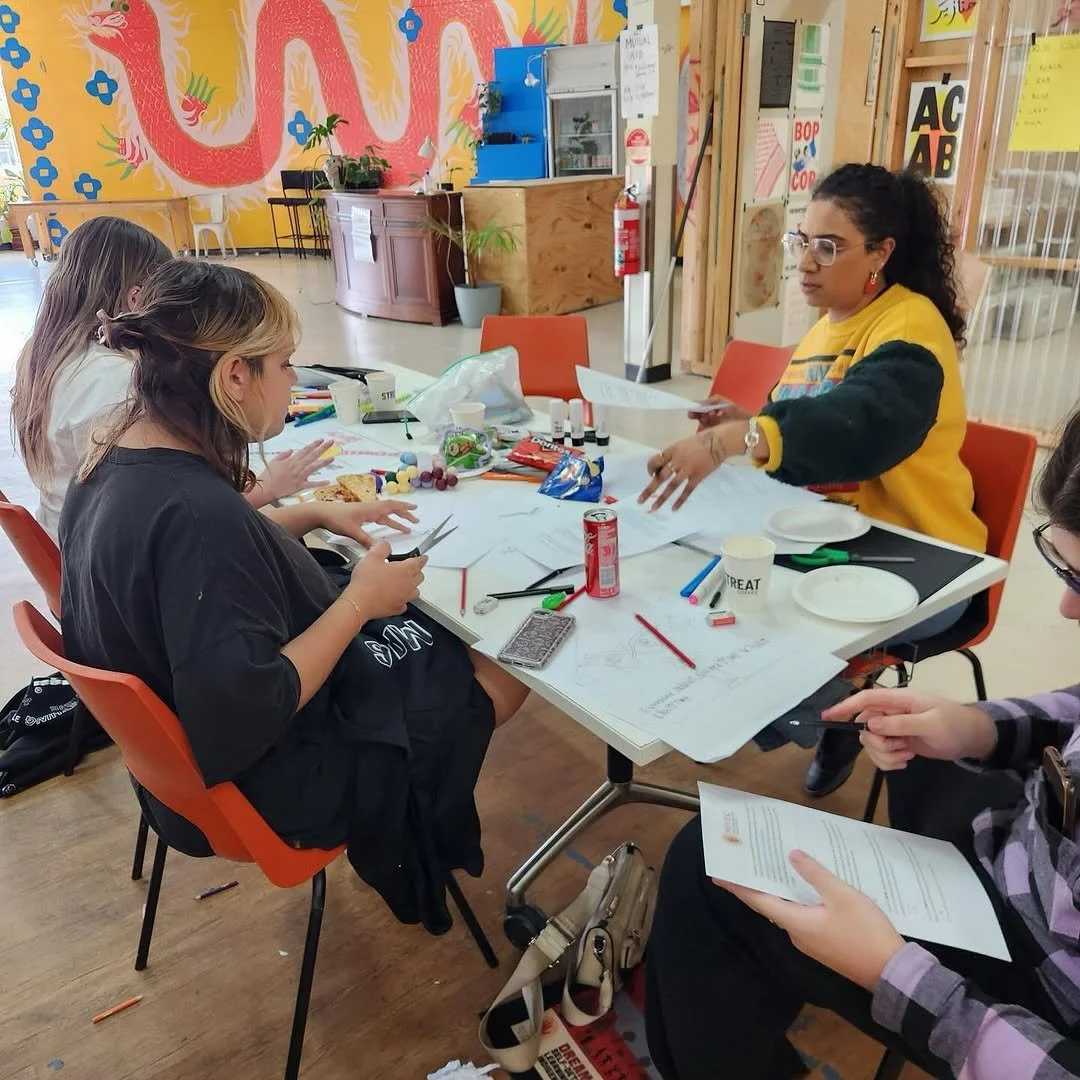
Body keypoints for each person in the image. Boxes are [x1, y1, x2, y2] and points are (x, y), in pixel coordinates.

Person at [58, 259, 529, 932]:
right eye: (284, 365)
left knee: (433, 629)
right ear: (234, 375)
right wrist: (359, 605)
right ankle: (427, 832)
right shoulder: (197, 517)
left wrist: (311, 516)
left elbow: (193, 571)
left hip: (177, 775)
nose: (294, 382)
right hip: (277, 782)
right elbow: (252, 708)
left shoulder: (112, 454)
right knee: (504, 661)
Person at [644, 406, 1080, 1080]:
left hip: (1040, 993)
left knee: (707, 870)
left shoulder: (908, 346)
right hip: (1033, 855)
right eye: (1066, 568)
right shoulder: (839, 332)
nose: (1066, 610)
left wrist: (892, 971)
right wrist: (981, 728)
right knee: (911, 751)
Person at [638, 164, 986, 797]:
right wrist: (749, 420)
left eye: (830, 247)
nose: (806, 263)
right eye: (804, 241)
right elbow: (802, 417)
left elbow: (856, 427)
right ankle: (794, 709)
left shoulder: (911, 330)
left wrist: (727, 441)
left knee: (762, 619)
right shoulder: (826, 327)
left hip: (922, 558)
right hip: (834, 539)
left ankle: (831, 717)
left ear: (882, 252)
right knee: (710, 586)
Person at [11, 215, 331, 541]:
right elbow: (183, 516)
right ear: (137, 300)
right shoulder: (118, 383)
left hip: (75, 538)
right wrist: (265, 488)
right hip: (106, 547)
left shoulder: (45, 353)